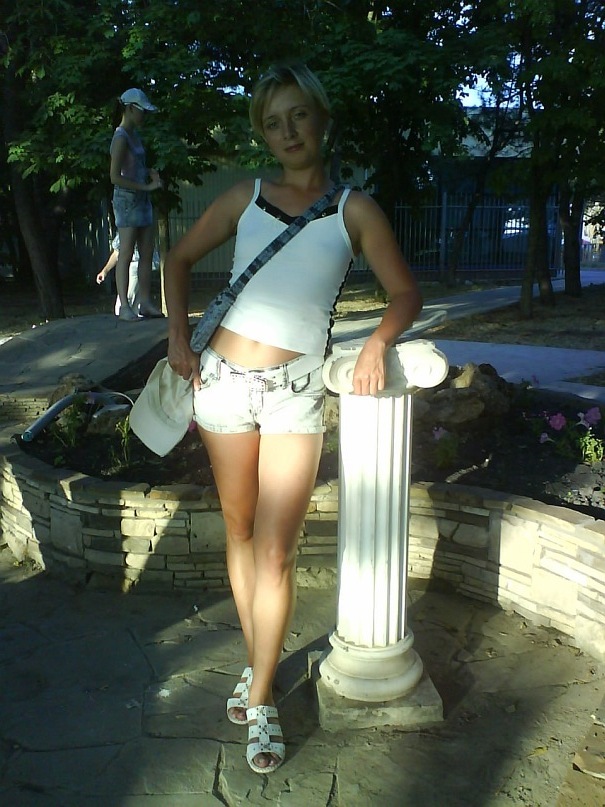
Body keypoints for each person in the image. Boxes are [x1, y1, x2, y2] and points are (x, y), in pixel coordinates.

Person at [164, 62, 423, 775]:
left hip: (295, 391)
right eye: (273, 122)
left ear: (321, 119)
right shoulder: (245, 197)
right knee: (239, 529)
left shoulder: (353, 209)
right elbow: (178, 258)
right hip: (221, 382)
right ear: (264, 133)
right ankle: (258, 666)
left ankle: (261, 697)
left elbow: (404, 294)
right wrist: (178, 336)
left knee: (276, 550)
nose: (287, 132)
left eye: (298, 116)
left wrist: (377, 343)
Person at [109, 87, 164, 321]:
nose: (145, 116)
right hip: (127, 201)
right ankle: (124, 306)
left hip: (142, 199)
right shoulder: (121, 137)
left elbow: (134, 166)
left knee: (147, 251)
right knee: (126, 252)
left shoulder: (135, 135)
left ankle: (145, 302)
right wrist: (146, 187)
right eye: (142, 111)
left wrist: (150, 174)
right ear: (131, 109)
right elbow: (115, 177)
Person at [96, 233, 160, 316]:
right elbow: (116, 253)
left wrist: (105, 271)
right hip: (138, 265)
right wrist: (105, 271)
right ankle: (124, 315)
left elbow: (117, 252)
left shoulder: (134, 228)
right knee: (131, 298)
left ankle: (127, 316)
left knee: (135, 299)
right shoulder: (135, 228)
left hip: (141, 265)